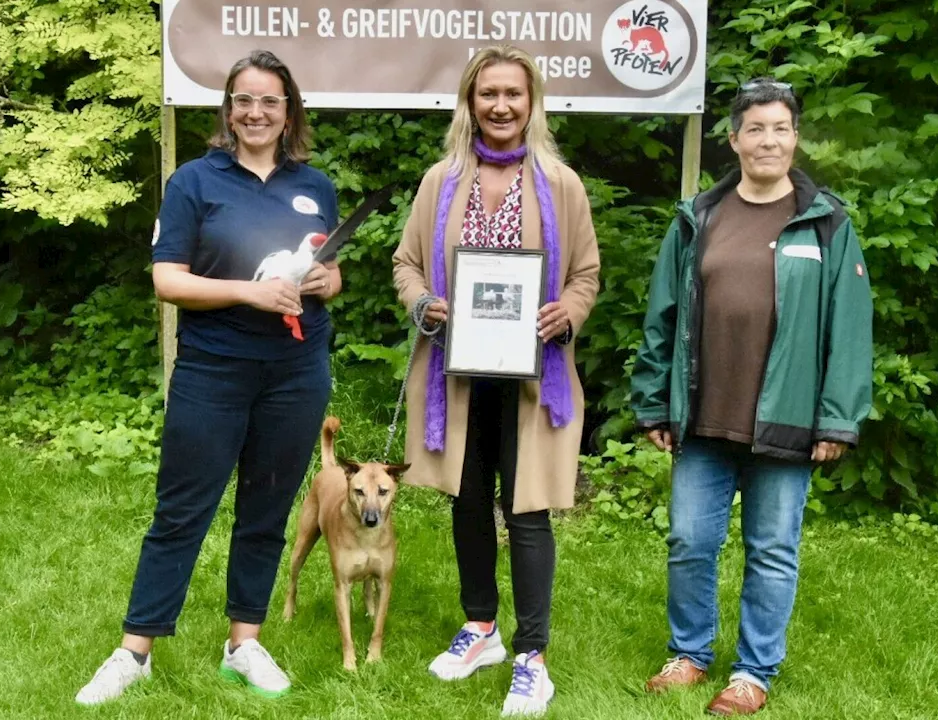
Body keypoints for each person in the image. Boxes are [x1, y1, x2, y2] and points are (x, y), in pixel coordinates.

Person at [75, 49, 340, 705]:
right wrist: (248, 295)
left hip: (295, 372)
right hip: (214, 370)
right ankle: (136, 651)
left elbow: (331, 274)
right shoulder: (195, 181)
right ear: (228, 110)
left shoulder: (317, 186)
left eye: (269, 102)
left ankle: (243, 642)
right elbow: (168, 280)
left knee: (267, 510)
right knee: (181, 511)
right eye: (243, 100)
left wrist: (329, 281)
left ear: (288, 112)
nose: (256, 112)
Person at [630, 78, 874, 716]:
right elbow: (663, 315)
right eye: (756, 129)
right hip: (705, 417)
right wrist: (654, 399)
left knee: (772, 549)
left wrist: (837, 419)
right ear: (734, 140)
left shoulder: (827, 222)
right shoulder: (699, 217)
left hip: (788, 422)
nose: (769, 140)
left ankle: (752, 673)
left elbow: (849, 330)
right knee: (688, 539)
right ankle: (688, 654)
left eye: (782, 128)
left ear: (796, 138)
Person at [391, 45, 600, 718]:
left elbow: (586, 275)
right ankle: (480, 627)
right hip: (455, 375)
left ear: (531, 102)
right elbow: (407, 263)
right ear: (469, 102)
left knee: (528, 510)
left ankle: (531, 657)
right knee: (466, 500)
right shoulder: (440, 180)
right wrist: (424, 305)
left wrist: (566, 312)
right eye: (488, 94)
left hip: (532, 376)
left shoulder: (560, 184)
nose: (501, 105)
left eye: (513, 93)